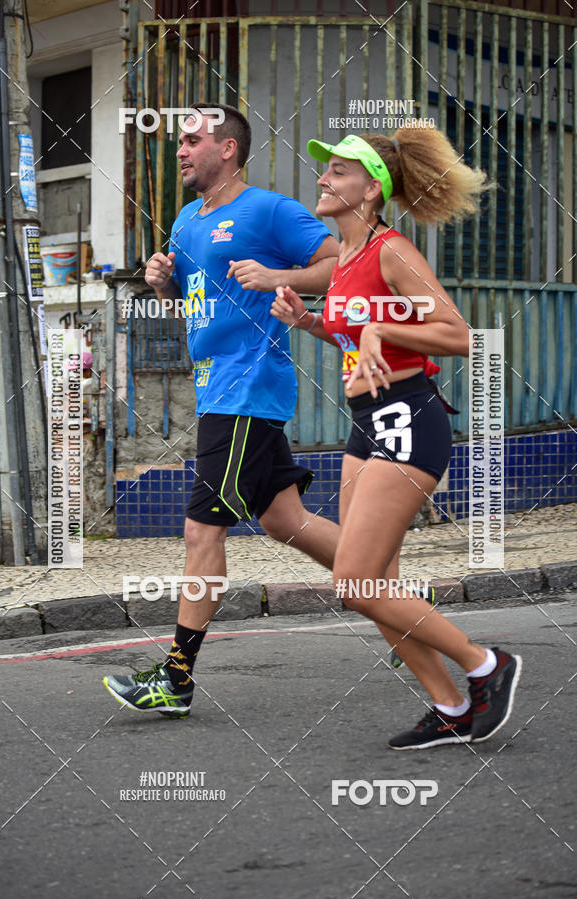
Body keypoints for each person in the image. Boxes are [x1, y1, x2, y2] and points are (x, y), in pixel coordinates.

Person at [270, 128, 522, 749]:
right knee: (376, 583)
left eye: (338, 172)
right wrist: (309, 322)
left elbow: (461, 334)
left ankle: (488, 665)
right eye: (325, 170)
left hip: (407, 419)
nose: (323, 180)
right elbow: (360, 338)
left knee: (355, 581)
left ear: (371, 190)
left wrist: (383, 326)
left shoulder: (391, 250)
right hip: (369, 425)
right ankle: (451, 707)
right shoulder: (348, 257)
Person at [103, 104, 340, 717]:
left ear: (228, 149)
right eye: (178, 141)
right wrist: (163, 281)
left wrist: (276, 275)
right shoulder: (186, 218)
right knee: (287, 521)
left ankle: (176, 679)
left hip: (247, 388)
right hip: (218, 390)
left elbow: (340, 266)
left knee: (200, 529)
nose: (179, 150)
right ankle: (398, 598)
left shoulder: (268, 209)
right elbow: (195, 292)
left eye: (191, 140)